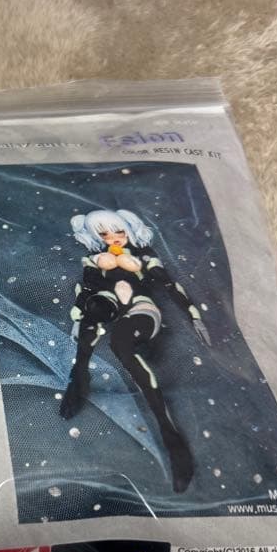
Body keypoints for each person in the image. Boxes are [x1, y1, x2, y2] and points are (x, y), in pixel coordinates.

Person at [60, 209, 209, 492]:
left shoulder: (143, 256)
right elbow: (87, 288)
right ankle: (79, 376)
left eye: (118, 231)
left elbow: (168, 284)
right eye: (104, 234)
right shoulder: (95, 259)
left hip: (141, 307)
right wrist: (80, 311)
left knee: (121, 344)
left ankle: (169, 433)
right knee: (94, 309)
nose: (113, 238)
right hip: (109, 303)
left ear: (129, 229)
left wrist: (194, 315)